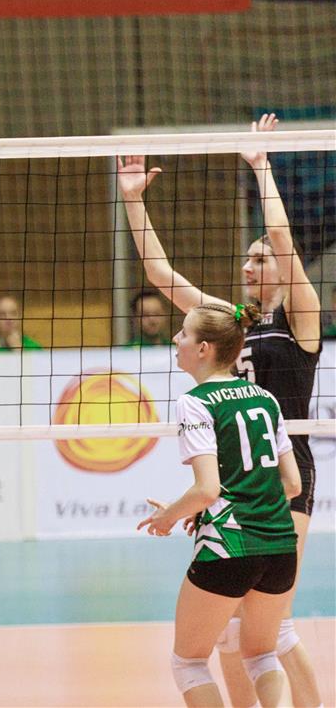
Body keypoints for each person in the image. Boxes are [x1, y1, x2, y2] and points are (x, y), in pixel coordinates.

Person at [119, 112, 323, 708]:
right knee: (234, 635)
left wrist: (261, 167)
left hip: (285, 473)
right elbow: (161, 275)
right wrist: (133, 200)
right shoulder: (232, 324)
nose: (248, 267)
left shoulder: (300, 319)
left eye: (260, 260)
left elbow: (282, 240)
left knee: (272, 629)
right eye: (246, 260)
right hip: (233, 479)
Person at [137, 303, 301, 708]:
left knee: (189, 663)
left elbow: (207, 489)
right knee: (261, 655)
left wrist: (168, 515)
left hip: (230, 547)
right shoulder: (265, 398)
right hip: (281, 546)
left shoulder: (195, 402)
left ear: (204, 348)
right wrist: (225, 503)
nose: (176, 339)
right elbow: (292, 485)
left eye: (184, 333)